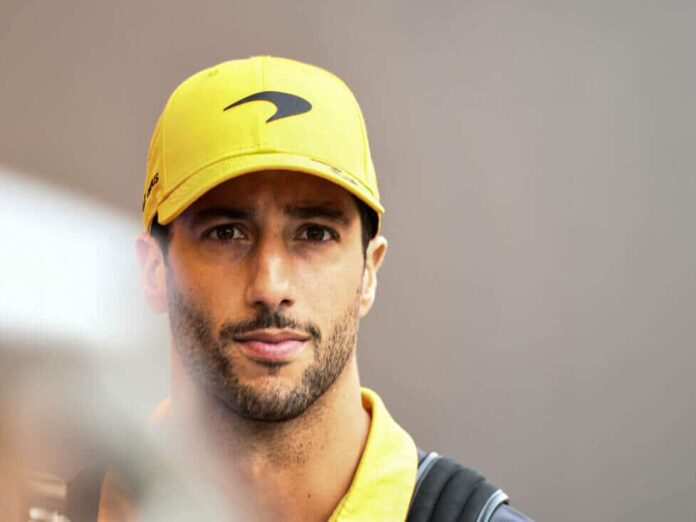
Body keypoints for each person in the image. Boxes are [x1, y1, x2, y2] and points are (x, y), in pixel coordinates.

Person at [121, 56, 532, 521]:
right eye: (226, 233)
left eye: (314, 233)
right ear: (152, 272)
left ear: (368, 272)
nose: (270, 286)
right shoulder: (69, 502)